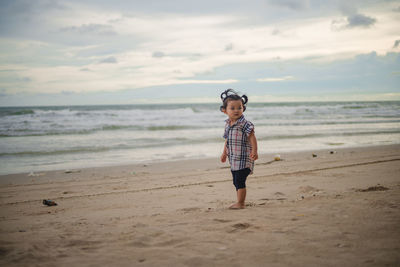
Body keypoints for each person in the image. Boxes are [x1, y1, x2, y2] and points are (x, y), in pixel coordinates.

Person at [220, 89, 258, 209]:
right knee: (236, 181)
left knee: (240, 180)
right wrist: (224, 153)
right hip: (234, 159)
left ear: (243, 108)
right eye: (232, 108)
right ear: (224, 111)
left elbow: (252, 138)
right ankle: (239, 201)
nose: (236, 110)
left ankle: (241, 203)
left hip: (244, 158)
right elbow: (227, 140)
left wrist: (254, 151)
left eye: (239, 107)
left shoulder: (245, 124)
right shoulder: (228, 124)